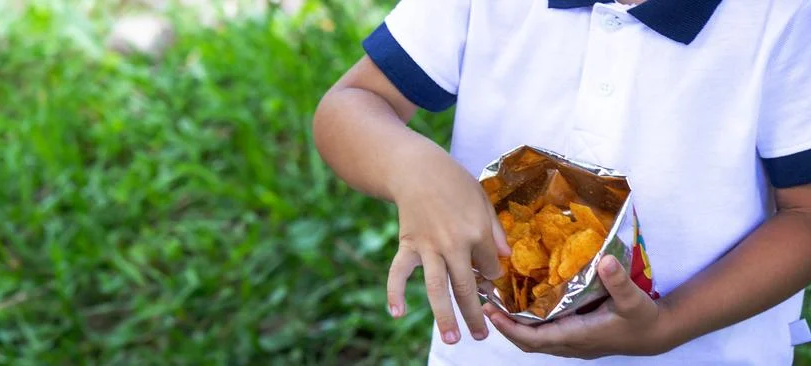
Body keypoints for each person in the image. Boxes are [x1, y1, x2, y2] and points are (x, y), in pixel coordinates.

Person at [311, 0, 811, 364]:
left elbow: (804, 215)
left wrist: (668, 325)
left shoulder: (786, 17)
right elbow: (349, 106)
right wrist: (412, 169)